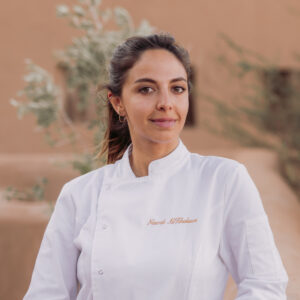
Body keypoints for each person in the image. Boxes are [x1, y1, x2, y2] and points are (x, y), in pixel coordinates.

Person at [23, 33, 288, 300]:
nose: (166, 103)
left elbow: (265, 285)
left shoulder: (223, 180)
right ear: (118, 103)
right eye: (146, 89)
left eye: (177, 88)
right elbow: (46, 294)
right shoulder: (81, 194)